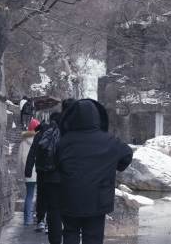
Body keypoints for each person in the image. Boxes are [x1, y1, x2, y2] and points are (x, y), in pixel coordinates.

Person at [57, 99, 133, 244]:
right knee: (93, 238)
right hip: (98, 200)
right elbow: (127, 155)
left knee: (70, 233)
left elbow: (56, 164)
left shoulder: (64, 141)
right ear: (97, 117)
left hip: (69, 199)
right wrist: (114, 166)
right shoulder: (109, 141)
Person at [26, 112, 63, 243]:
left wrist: (28, 170)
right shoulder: (62, 133)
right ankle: (50, 224)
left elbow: (32, 152)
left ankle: (41, 220)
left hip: (41, 171)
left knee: (42, 195)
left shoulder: (40, 133)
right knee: (54, 203)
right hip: (56, 173)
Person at [18, 118, 40, 226]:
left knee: (29, 195)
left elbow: (19, 160)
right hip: (40, 172)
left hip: (28, 173)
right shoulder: (40, 140)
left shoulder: (23, 142)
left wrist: (20, 173)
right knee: (40, 195)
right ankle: (39, 217)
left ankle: (27, 220)